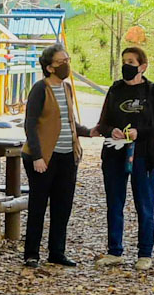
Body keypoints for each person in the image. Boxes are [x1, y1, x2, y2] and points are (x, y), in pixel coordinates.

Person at [93, 45, 154, 270]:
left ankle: (145, 253)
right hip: (114, 154)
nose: (126, 66)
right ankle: (114, 251)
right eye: (124, 61)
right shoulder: (115, 90)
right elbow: (102, 123)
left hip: (144, 155)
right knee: (114, 203)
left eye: (131, 62)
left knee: (144, 205)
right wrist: (111, 131)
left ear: (142, 67)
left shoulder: (152, 91)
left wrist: (139, 133)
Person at [21, 43, 97, 268]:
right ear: (50, 67)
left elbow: (68, 120)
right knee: (38, 205)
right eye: (61, 62)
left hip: (68, 155)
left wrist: (88, 132)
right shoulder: (40, 89)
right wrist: (38, 156)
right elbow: (30, 124)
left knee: (62, 206)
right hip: (44, 157)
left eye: (67, 60)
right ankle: (31, 253)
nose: (66, 65)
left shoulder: (67, 88)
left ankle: (57, 252)